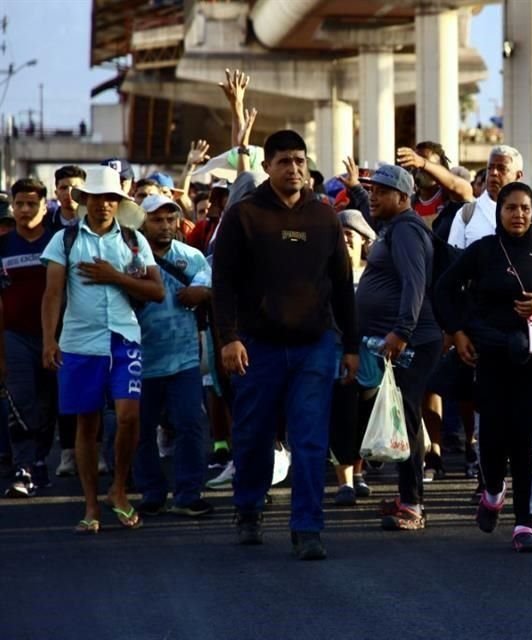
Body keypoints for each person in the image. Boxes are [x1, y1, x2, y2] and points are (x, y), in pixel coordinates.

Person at [212, 129, 358, 560]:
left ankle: (307, 528)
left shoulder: (325, 216)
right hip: (257, 347)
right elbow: (222, 285)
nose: (293, 169)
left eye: (299, 160)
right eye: (283, 162)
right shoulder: (243, 216)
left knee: (311, 439)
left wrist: (350, 345)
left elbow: (343, 287)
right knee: (254, 435)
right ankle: (248, 508)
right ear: (267, 166)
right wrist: (229, 338)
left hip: (315, 346)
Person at [435, 182, 532, 552]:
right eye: (511, 208)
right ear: (499, 213)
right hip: (491, 357)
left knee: (527, 440)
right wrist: (458, 332)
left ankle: (524, 524)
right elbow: (443, 289)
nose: (519, 215)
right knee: (493, 439)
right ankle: (493, 492)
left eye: (525, 209)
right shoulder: (482, 252)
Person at [40, 166, 165, 534]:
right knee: (87, 423)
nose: (104, 205)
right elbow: (52, 294)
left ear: (118, 202)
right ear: (85, 201)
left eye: (111, 198)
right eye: (97, 198)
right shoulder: (64, 240)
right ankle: (91, 503)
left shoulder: (132, 240)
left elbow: (157, 291)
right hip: (80, 342)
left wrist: (117, 277)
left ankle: (119, 490)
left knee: (129, 416)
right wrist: (49, 339)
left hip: (124, 337)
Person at [356, 164, 443, 531]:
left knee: (407, 419)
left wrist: (401, 331)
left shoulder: (407, 230)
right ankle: (407, 494)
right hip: (399, 339)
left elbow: (414, 284)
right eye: (370, 190)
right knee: (401, 417)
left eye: (380, 191)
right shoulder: (393, 227)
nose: (373, 195)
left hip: (412, 341)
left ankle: (413, 505)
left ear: (403, 198)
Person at [133, 194, 214, 516]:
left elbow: (208, 286)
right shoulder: (128, 259)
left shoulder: (192, 257)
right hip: (140, 359)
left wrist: (203, 292)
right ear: (143, 222)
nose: (165, 226)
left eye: (170, 219)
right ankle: (151, 492)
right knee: (141, 429)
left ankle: (188, 494)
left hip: (184, 358)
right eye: (157, 219)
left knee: (190, 424)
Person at [1, 179, 58, 498]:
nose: (24, 210)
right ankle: (22, 468)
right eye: (19, 204)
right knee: (21, 402)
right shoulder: (4, 245)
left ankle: (39, 462)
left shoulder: (58, 242)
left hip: (56, 336)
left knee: (48, 404)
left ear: (43, 205)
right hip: (15, 336)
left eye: (31, 204)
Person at [329, 209, 377, 506]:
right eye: (342, 235)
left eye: (352, 235)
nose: (347, 240)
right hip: (336, 357)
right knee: (341, 420)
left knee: (365, 420)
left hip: (372, 359)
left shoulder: (375, 275)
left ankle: (358, 474)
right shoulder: (326, 274)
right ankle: (344, 481)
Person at [447, 145, 532, 249]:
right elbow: (453, 258)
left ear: (518, 175)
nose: (494, 173)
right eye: (490, 168)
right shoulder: (467, 213)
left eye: (501, 168)